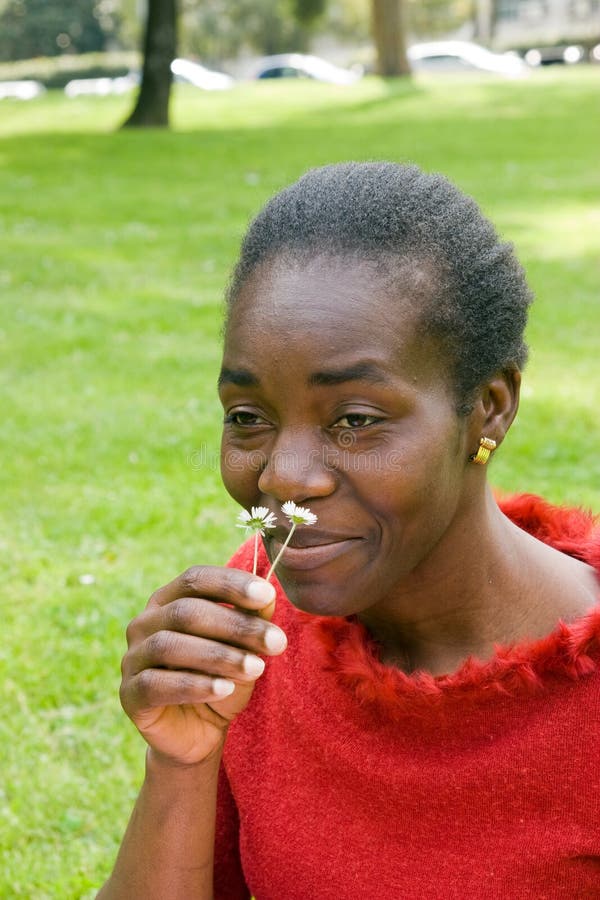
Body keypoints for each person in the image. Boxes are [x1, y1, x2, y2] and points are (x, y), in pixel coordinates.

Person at [98, 163, 600, 899]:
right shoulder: (254, 633)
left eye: (355, 421)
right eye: (248, 419)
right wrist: (181, 763)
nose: (282, 476)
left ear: (489, 408)